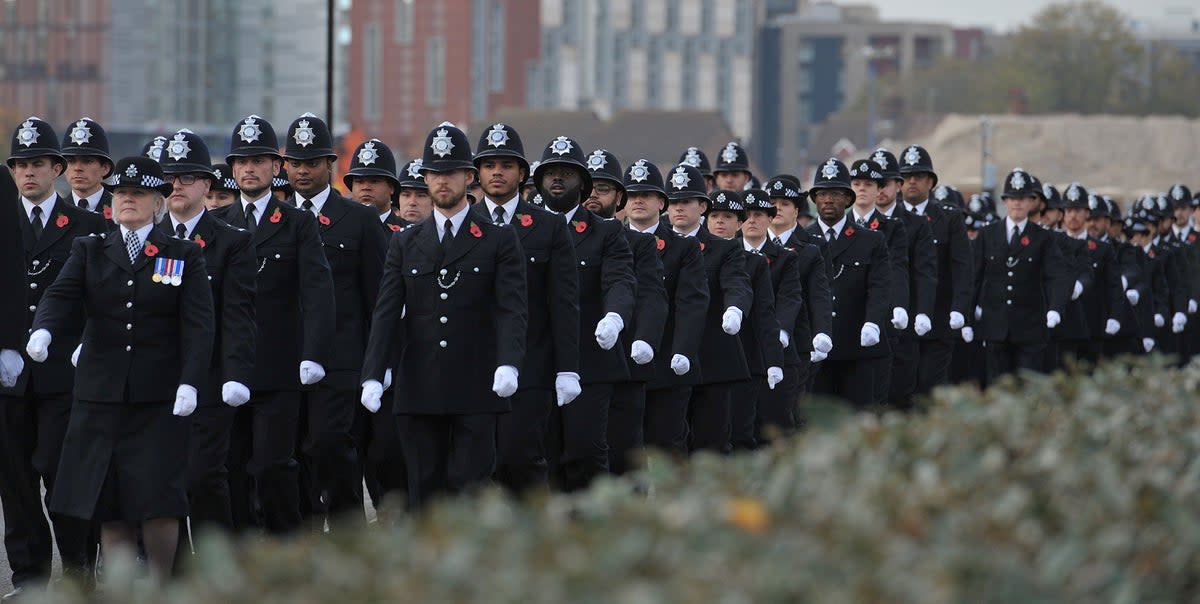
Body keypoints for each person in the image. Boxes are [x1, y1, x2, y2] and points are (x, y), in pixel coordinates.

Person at [28, 155, 214, 582]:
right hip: (101, 399)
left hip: (158, 399)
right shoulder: (90, 249)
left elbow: (200, 325)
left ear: (158, 201)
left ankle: (163, 585)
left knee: (157, 501)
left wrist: (190, 382)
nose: (127, 200)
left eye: (138, 193)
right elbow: (61, 295)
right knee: (108, 503)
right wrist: (44, 331)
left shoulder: (182, 253)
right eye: (121, 193)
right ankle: (120, 590)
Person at [359, 122, 528, 509]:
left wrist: (509, 363)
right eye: (434, 173)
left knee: (468, 487)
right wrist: (373, 372)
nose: (442, 181)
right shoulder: (406, 241)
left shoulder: (499, 238)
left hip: (476, 383)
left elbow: (511, 307)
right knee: (424, 490)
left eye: (450, 172)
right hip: (420, 385)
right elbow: (387, 311)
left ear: (469, 177)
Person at [210, 114, 336, 534]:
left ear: (275, 166)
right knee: (230, 467)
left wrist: (314, 353)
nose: (249, 168)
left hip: (278, 365)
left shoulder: (297, 223)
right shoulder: (216, 224)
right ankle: (241, 551)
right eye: (241, 161)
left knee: (272, 464)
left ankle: (287, 544)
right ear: (231, 168)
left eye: (259, 160)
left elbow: (318, 291)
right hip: (226, 365)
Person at [0, 116, 105, 597]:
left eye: (38, 163)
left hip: (65, 375)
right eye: (20, 165)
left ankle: (80, 568)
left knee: (63, 477)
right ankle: (30, 577)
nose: (28, 173)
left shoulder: (85, 225)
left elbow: (98, 297)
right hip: (8, 375)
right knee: (16, 483)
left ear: (56, 168)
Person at [154, 129, 257, 538]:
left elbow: (238, 313)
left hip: (211, 379)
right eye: (169, 178)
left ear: (207, 185)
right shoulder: (148, 240)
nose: (176, 186)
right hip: (158, 379)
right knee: (162, 480)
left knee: (203, 476)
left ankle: (219, 567)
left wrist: (236, 373)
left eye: (187, 178)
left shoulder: (232, 242)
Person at [472, 123, 580, 493]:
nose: (497, 172)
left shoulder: (548, 227)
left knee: (522, 458)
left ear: (522, 173)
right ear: (478, 173)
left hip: (531, 363)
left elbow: (564, 303)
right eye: (489, 165)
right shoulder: (461, 224)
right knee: (475, 465)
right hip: (472, 365)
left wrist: (567, 368)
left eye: (506, 164)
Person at [533, 135, 636, 490]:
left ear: (583, 184)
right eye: (550, 174)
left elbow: (620, 280)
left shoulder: (605, 233)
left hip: (590, 358)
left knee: (585, 451)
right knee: (536, 455)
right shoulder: (520, 229)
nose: (557, 179)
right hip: (536, 358)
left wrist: (615, 317)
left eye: (567, 173)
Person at [584, 149, 668, 475]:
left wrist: (645, 338)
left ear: (619, 196)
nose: (593, 195)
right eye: (588, 186)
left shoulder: (639, 243)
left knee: (623, 452)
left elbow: (651, 294)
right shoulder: (560, 235)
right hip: (576, 361)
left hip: (624, 363)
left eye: (603, 189)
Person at [623, 159, 709, 457]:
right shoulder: (611, 242)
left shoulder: (683, 247)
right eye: (632, 195)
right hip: (619, 363)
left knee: (667, 447)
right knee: (622, 451)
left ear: (661, 201)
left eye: (646, 195)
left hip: (667, 362)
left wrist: (682, 350)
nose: (638, 201)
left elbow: (692, 302)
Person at [666, 163, 752, 453]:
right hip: (668, 354)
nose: (679, 208)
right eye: (674, 201)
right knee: (669, 442)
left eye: (686, 201)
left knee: (711, 442)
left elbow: (736, 282)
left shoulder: (723, 248)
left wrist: (735, 309)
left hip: (710, 355)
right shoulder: (654, 245)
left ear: (702, 205)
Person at [805, 158, 892, 409]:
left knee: (860, 420)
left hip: (857, 345)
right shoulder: (804, 239)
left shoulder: (871, 240)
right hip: (815, 347)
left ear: (848, 199)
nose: (828, 200)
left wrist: (873, 322)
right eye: (822, 193)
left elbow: (879, 287)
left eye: (835, 193)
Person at [971, 169, 1070, 381]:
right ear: (1005, 201)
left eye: (1023, 198)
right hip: (995, 327)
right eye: (1013, 198)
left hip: (1030, 329)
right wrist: (969, 313)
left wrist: (1055, 308)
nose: (1017, 203)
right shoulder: (988, 235)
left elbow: (1056, 276)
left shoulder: (1043, 238)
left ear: (1031, 202)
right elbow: (975, 276)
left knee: (1028, 387)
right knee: (998, 387)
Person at [705, 188, 784, 450]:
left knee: (739, 432)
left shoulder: (754, 263)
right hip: (700, 356)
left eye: (727, 217)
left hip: (743, 359)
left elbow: (765, 314)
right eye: (714, 215)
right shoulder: (691, 255)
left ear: (739, 224)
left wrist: (773, 360)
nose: (719, 221)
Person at [871, 148, 937, 406]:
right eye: (872, 184)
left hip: (902, 318)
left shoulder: (916, 224)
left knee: (900, 392)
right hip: (866, 319)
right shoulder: (856, 224)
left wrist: (922, 311)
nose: (879, 190)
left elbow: (923, 271)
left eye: (884, 183)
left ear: (897, 185)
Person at [738, 187, 805, 442]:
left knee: (775, 424)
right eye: (747, 215)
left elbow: (790, 297)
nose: (752, 220)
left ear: (769, 218)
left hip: (775, 349)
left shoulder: (786, 259)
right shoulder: (729, 254)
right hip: (740, 349)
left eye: (759, 214)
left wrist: (781, 332)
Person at [848, 158, 910, 406]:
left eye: (869, 184)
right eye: (856, 183)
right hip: (844, 318)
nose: (862, 188)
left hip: (878, 316)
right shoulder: (837, 227)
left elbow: (897, 268)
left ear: (878, 189)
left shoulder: (892, 228)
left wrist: (899, 304)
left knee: (874, 397)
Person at [765, 175, 833, 399]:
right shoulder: (748, 241)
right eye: (773, 203)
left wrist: (822, 331)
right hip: (758, 337)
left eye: (784, 204)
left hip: (797, 338)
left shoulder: (811, 248)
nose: (778, 208)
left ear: (796, 210)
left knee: (791, 407)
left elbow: (819, 294)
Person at [345, 138, 407, 233]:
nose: (365, 187)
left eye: (374, 181)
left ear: (391, 187)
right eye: (359, 181)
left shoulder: (408, 234)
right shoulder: (337, 228)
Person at [60, 117, 115, 216]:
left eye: (87, 161)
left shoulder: (120, 212)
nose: (77, 168)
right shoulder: (53, 212)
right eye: (71, 161)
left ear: (105, 168)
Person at [397, 159, 433, 225]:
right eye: (406, 195)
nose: (412, 202)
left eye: (420, 195)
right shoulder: (383, 232)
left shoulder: (446, 233)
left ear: (434, 203)